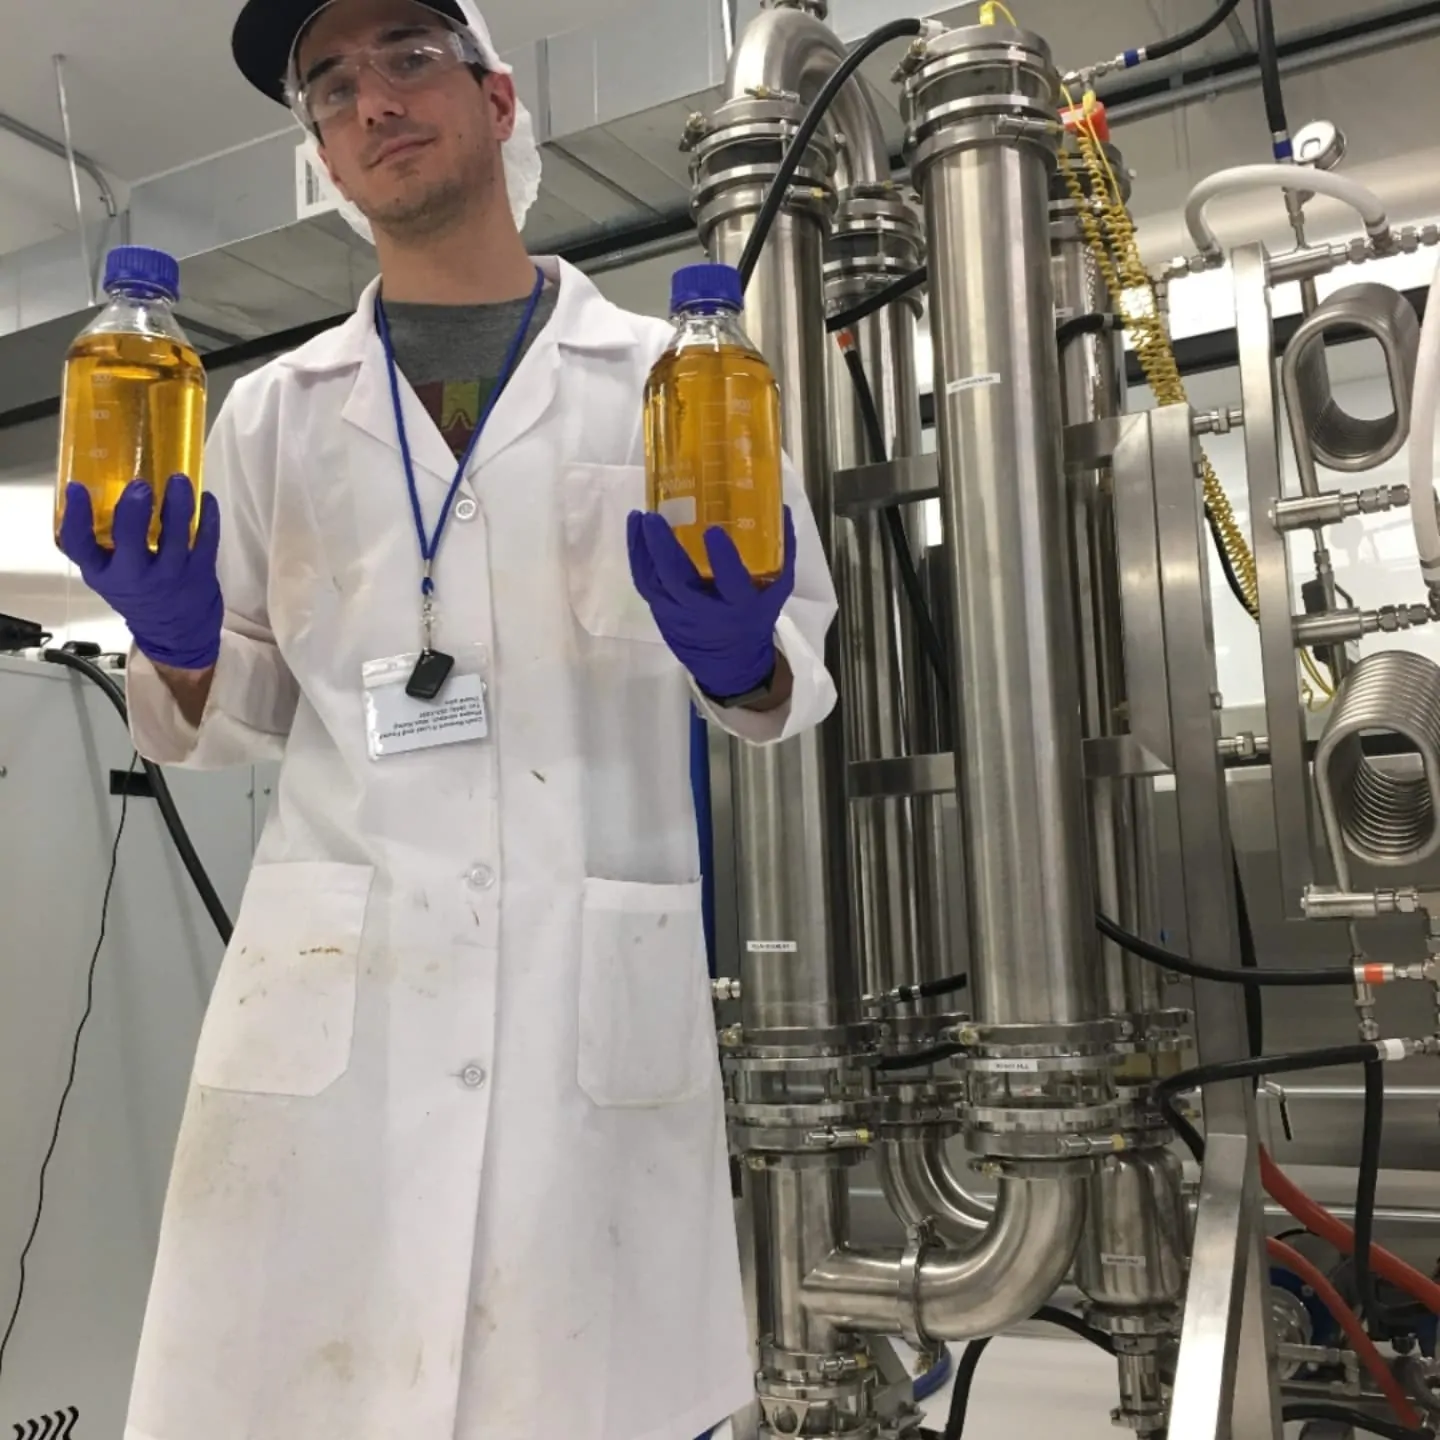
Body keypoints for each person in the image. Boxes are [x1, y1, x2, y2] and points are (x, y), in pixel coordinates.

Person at [56, 1, 838, 1436]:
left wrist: (740, 659)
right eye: (330, 88)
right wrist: (170, 646)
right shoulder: (269, 416)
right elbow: (227, 712)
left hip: (579, 1016)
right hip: (338, 1028)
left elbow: (792, 669)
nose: (372, 102)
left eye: (409, 57)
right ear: (326, 161)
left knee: (574, 1385)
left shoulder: (673, 382)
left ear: (495, 96)